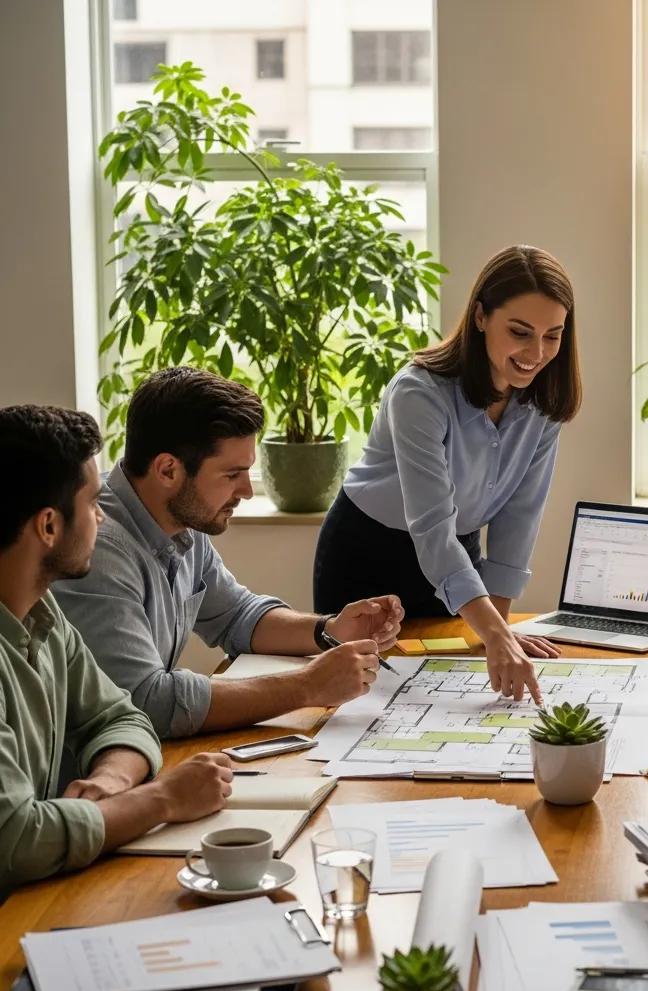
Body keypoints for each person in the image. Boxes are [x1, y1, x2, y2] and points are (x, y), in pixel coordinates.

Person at [52, 369, 403, 740]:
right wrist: (307, 686)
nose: (247, 491)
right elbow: (146, 702)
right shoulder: (98, 549)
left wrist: (328, 630)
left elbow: (236, 616)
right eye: (232, 474)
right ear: (168, 469)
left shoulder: (180, 516)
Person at [313, 244, 582, 703]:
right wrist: (496, 635)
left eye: (552, 336)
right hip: (369, 554)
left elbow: (520, 517)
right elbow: (432, 529)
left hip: (458, 558)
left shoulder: (542, 404)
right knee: (366, 710)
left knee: (451, 694)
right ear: (480, 317)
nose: (536, 353)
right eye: (520, 332)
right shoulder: (418, 393)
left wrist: (498, 633)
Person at [0, 405, 233, 895]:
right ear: (48, 526)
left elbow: (120, 718)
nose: (102, 517)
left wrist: (110, 782)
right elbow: (16, 839)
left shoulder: (42, 614)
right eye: (92, 503)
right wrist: (162, 799)